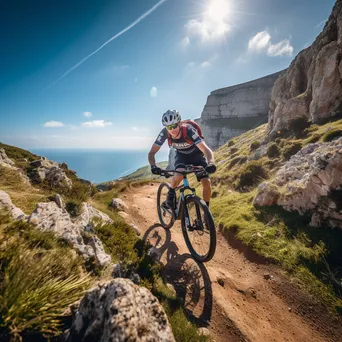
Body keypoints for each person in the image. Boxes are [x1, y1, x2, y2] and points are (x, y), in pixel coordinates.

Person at [148, 109, 216, 209]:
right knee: (178, 175)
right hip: (182, 157)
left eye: (174, 125)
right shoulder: (164, 133)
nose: (172, 129)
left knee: (206, 182)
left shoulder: (189, 130)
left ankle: (207, 212)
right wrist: (153, 166)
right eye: (169, 127)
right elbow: (152, 152)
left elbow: (206, 149)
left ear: (179, 123)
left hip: (197, 155)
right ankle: (169, 197)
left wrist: (211, 163)